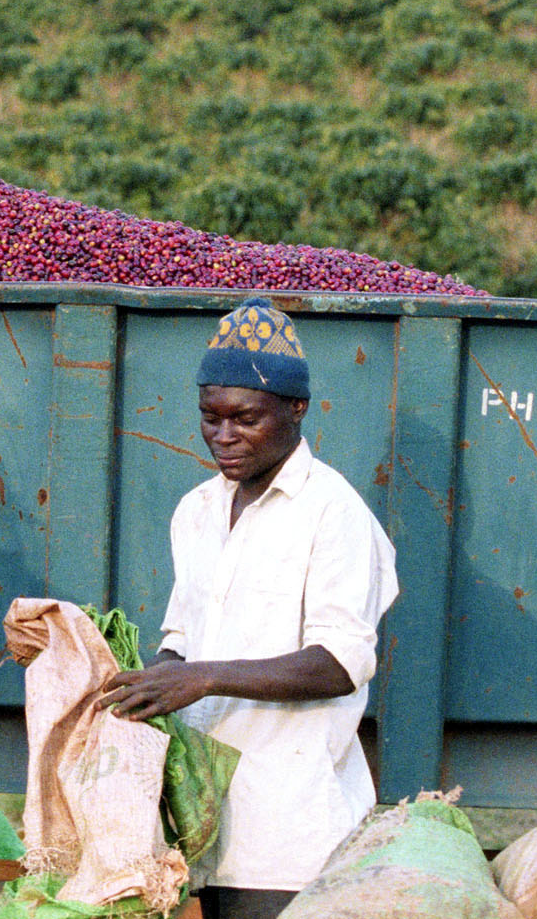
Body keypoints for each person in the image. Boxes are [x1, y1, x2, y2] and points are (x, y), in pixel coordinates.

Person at [99, 298, 399, 919]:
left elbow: (340, 663)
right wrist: (141, 678)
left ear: (296, 409)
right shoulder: (198, 511)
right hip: (206, 825)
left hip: (291, 832)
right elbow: (182, 639)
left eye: (245, 418)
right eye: (210, 417)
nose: (224, 436)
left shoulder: (333, 514)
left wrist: (203, 676)